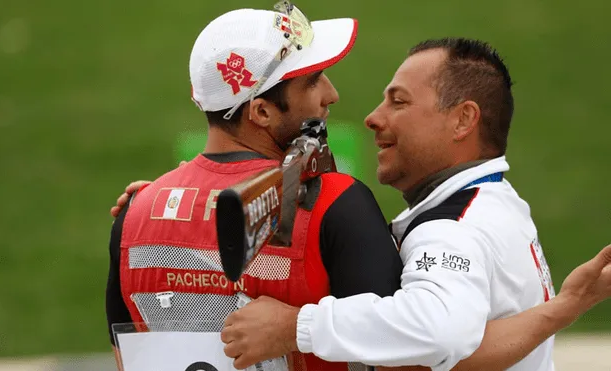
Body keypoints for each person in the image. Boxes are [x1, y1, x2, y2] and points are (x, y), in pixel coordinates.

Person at [211, 38, 611, 370]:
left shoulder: (453, 228)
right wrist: (566, 306)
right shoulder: (495, 200)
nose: (372, 117)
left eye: (398, 102)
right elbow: (462, 350)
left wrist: (295, 326)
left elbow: (437, 331)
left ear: (462, 120)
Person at [105, 5, 404, 371]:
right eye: (312, 80)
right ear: (261, 112)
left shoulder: (133, 215)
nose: (331, 94)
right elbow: (402, 354)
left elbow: (128, 357)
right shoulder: (338, 204)